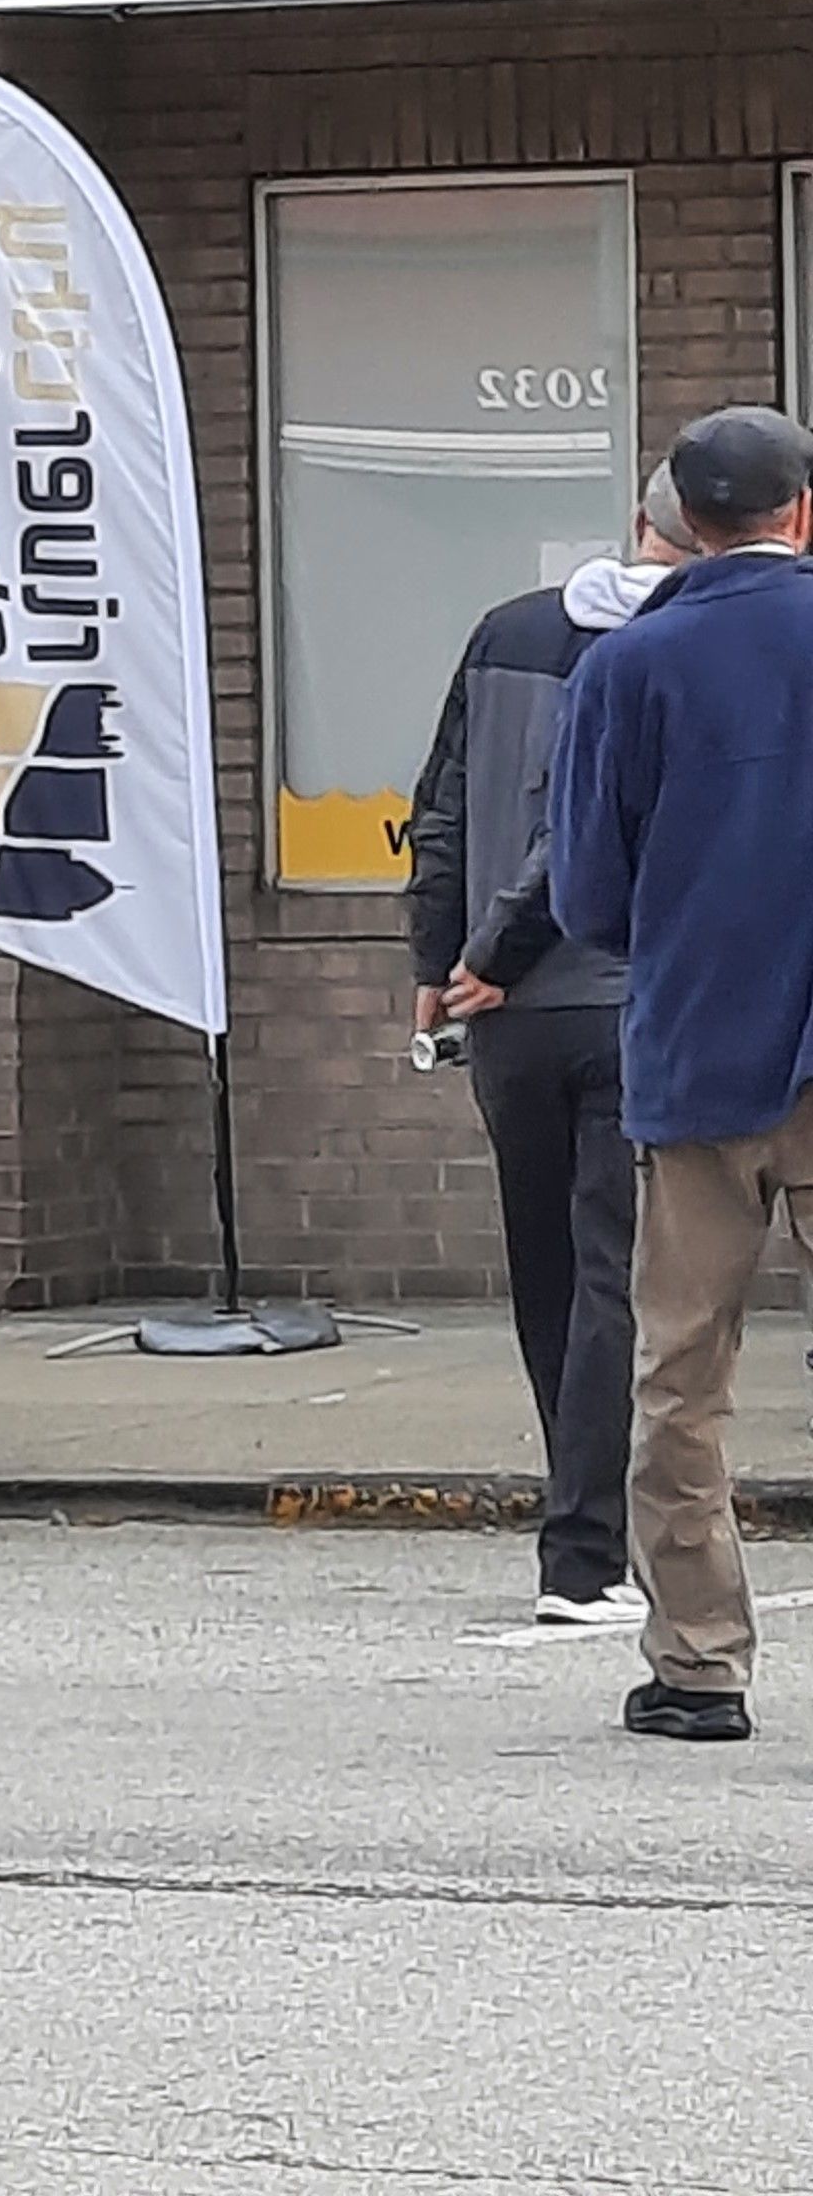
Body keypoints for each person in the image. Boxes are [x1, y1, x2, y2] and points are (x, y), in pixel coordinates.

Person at [551, 401, 813, 1744]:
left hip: (701, 1054)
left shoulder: (631, 667)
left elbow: (590, 894)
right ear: (802, 513)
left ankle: (701, 1663)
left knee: (682, 1374)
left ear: (676, 528)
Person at [407, 467, 693, 1628]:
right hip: (625, 994)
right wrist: (498, 949)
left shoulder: (506, 631)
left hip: (505, 1019)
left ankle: (580, 1530)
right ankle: (586, 1551)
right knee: (614, 1280)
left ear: (639, 521)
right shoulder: (691, 648)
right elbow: (591, 829)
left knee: (547, 1277)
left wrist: (439, 964)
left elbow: (441, 808)